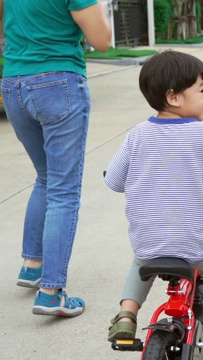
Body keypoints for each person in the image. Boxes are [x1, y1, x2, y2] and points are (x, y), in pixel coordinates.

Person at [104, 50, 203, 353]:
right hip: (194, 243)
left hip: (149, 241)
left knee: (140, 262)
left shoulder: (137, 135)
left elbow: (115, 181)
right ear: (174, 97)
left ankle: (127, 316)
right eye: (202, 90)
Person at [0, 0, 111, 317]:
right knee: (63, 189)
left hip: (14, 84)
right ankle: (52, 293)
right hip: (58, 82)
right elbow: (101, 41)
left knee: (46, 177)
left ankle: (32, 266)